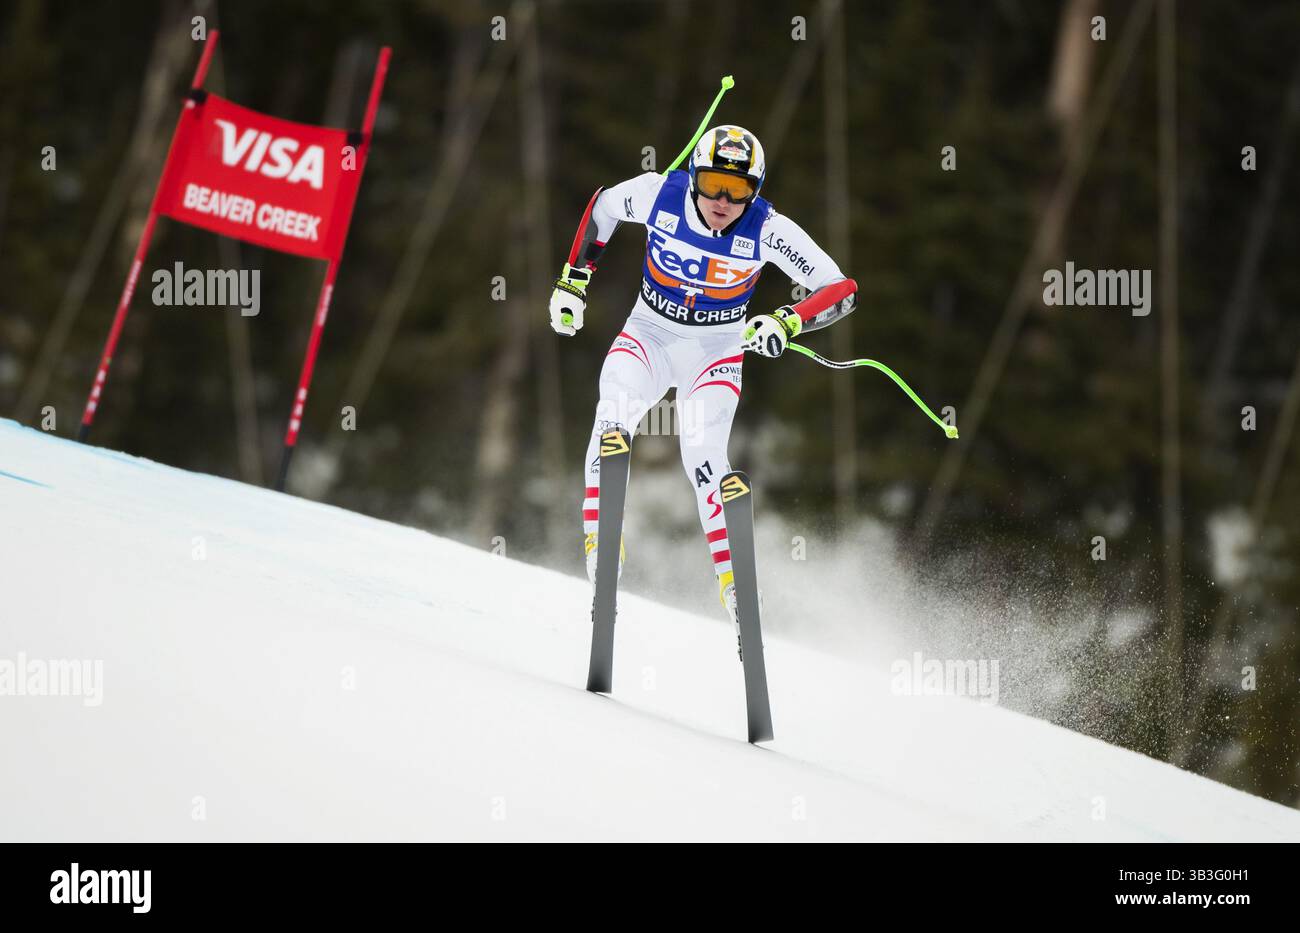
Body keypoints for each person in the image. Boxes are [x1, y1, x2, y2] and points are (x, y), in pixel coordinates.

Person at [549, 124, 857, 656]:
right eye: (714, 184)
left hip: (715, 352)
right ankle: (603, 545)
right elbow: (603, 208)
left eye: (738, 191)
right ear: (694, 176)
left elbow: (840, 288)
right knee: (613, 413)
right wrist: (574, 280)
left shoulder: (766, 228)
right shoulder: (658, 194)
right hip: (649, 334)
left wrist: (786, 321)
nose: (723, 202)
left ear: (754, 192)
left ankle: (737, 588)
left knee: (703, 452)